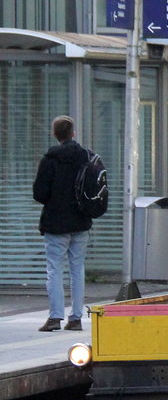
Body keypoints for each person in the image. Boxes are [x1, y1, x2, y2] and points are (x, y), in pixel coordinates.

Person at [32, 115, 92, 332]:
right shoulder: (85, 157)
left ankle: (55, 317)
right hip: (80, 221)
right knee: (77, 269)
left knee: (54, 269)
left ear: (55, 134)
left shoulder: (49, 159)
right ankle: (75, 318)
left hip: (55, 223)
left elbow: (39, 193)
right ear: (73, 133)